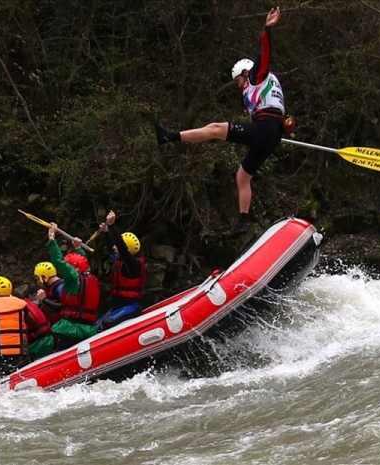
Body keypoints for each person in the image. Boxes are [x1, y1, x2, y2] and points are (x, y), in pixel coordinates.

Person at [155, 7, 285, 234]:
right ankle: (243, 221)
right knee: (243, 175)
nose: (239, 86)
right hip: (272, 134)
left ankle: (169, 136)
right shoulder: (269, 83)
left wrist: (267, 29)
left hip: (264, 129)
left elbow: (264, 53)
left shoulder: (257, 75)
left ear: (245, 73)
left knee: (215, 129)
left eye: (238, 81)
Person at [40, 223, 99, 350]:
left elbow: (59, 262)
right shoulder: (89, 276)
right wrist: (78, 248)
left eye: (68, 266)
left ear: (73, 268)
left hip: (72, 329)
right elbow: (82, 261)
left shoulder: (73, 279)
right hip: (89, 327)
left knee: (53, 341)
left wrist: (51, 239)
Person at [95, 210, 147, 330]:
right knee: (96, 326)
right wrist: (106, 232)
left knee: (105, 325)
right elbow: (111, 248)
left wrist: (112, 226)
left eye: (117, 246)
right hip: (118, 306)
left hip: (131, 306)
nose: (114, 247)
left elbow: (121, 247)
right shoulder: (121, 260)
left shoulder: (133, 265)